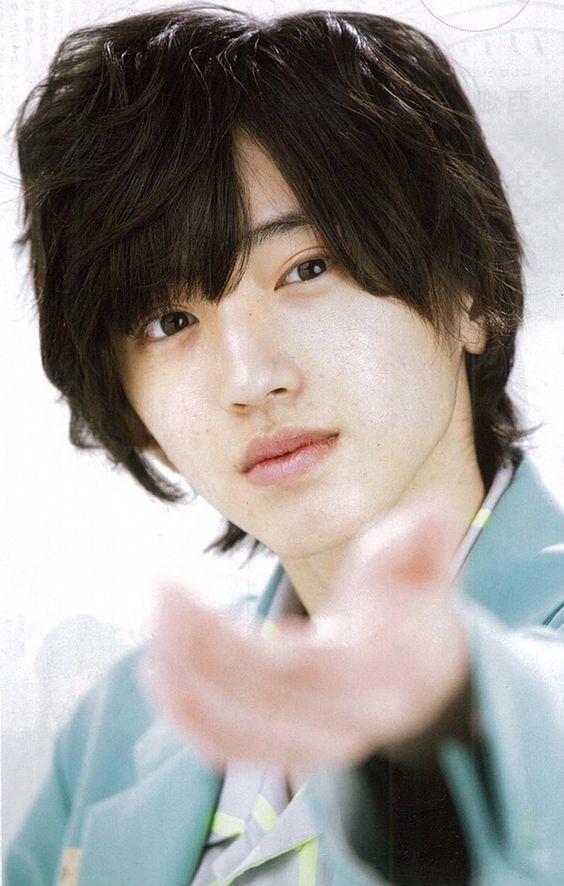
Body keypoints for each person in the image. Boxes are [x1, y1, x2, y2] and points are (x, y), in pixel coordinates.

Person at [6, 4, 563, 885]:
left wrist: (446, 720)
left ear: (470, 290)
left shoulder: (528, 692)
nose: (249, 378)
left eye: (307, 268)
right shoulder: (116, 729)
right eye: (169, 320)